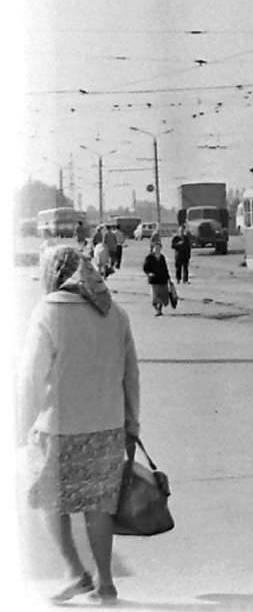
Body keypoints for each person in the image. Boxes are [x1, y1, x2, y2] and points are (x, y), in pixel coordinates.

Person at [18, 245, 139, 606]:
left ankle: (75, 572)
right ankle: (105, 583)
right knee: (98, 506)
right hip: (107, 427)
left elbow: (30, 378)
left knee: (51, 503)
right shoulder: (115, 312)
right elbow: (131, 375)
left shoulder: (48, 311)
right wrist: (132, 423)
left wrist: (20, 426)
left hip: (57, 427)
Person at [142, 241, 171, 316]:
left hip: (163, 279)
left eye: (159, 248)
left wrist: (169, 278)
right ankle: (157, 308)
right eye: (156, 248)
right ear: (153, 248)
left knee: (162, 295)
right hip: (154, 280)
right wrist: (149, 273)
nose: (157, 249)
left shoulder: (162, 257)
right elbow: (145, 268)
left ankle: (159, 310)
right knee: (155, 297)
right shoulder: (149, 257)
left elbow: (165, 268)